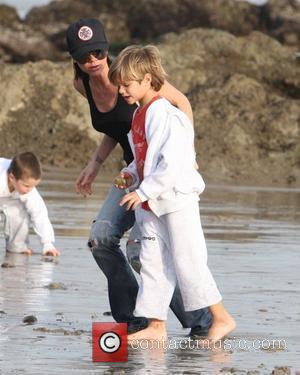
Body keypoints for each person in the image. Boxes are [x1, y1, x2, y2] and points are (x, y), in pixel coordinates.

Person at [66, 18, 211, 335]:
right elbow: (115, 128)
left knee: (144, 253)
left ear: (107, 50)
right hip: (131, 173)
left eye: (98, 53)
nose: (92, 61)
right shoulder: (82, 84)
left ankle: (201, 323)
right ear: (74, 58)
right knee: (102, 239)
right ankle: (133, 322)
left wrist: (189, 155)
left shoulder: (131, 76)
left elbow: (181, 102)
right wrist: (94, 164)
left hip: (159, 172)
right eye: (83, 56)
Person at [109, 45, 236, 342]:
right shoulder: (140, 115)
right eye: (120, 85)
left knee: (188, 259)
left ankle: (222, 317)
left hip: (177, 200)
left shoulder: (167, 115)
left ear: (148, 79)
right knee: (152, 260)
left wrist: (143, 191)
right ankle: (156, 325)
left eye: (127, 84)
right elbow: (145, 158)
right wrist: (130, 174)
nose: (122, 90)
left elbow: (174, 163)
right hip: (152, 203)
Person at [0, 152, 60, 256]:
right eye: (27, 186)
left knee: (19, 212)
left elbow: (39, 214)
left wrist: (47, 244)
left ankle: (16, 247)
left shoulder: (27, 187)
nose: (30, 190)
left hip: (11, 198)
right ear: (12, 178)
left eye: (33, 186)